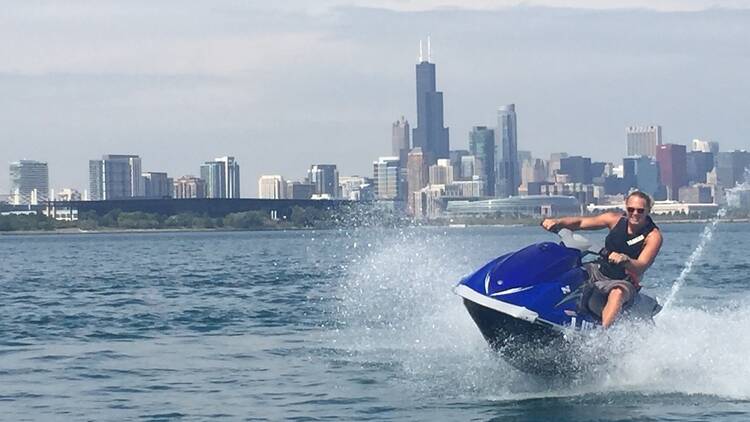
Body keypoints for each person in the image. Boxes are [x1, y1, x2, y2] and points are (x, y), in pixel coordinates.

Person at [541, 191, 663, 328]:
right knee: (567, 270)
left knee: (617, 293)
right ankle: (541, 306)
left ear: (648, 211)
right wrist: (557, 222)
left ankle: (602, 336)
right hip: (599, 269)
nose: (635, 213)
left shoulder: (653, 236)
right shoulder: (614, 219)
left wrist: (625, 260)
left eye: (640, 210)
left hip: (623, 280)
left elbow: (641, 265)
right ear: (626, 208)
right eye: (631, 209)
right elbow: (581, 222)